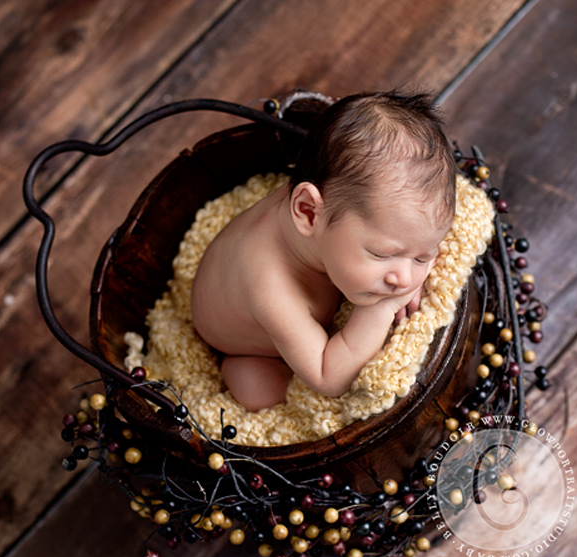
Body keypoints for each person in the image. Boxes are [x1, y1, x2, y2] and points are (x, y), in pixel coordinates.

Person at [191, 91, 457, 411]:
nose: (404, 278)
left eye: (420, 257)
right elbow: (327, 377)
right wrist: (379, 311)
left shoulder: (340, 204)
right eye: (382, 253)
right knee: (256, 389)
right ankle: (237, 367)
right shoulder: (269, 287)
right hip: (246, 345)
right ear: (308, 212)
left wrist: (418, 253)